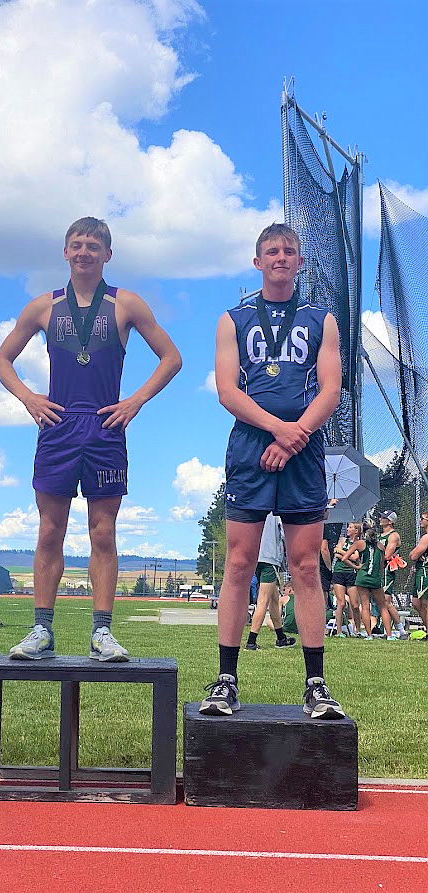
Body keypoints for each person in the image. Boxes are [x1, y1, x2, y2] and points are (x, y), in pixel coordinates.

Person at [0, 217, 181, 661]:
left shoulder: (126, 303)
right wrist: (28, 398)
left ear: (107, 255)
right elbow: (1, 360)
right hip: (57, 425)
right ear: (65, 252)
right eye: (76, 245)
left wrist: (134, 401)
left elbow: (171, 358)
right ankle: (41, 631)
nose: (84, 252)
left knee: (103, 532)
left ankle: (101, 632)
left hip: (105, 426)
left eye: (93, 246)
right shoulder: (43, 307)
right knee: (49, 530)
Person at [200, 222, 345, 720]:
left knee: (306, 567)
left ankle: (316, 684)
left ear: (300, 262)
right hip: (250, 448)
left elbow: (330, 389)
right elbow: (227, 390)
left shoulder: (321, 319)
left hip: (303, 452)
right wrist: (278, 430)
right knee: (239, 564)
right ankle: (226, 679)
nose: (280, 258)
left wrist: (295, 435)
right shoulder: (233, 319)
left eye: (288, 251)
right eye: (271, 251)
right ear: (256, 261)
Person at [244, 513, 296, 650]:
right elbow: (285, 534)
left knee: (274, 599)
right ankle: (251, 641)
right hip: (269, 558)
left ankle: (281, 638)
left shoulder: (257, 510)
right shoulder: (275, 513)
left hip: (256, 557)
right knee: (263, 601)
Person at [341, 524, 394, 640]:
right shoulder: (380, 546)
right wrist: (378, 574)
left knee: (365, 607)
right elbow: (382, 564)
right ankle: (389, 635)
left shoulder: (359, 544)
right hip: (375, 579)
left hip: (362, 578)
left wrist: (357, 567)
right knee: (383, 607)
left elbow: (344, 558)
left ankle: (369, 635)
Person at [378, 510, 409, 639]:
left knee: (386, 601)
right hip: (378, 569)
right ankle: (385, 629)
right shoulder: (380, 535)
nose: (380, 519)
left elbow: (387, 555)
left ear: (390, 521)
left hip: (386, 570)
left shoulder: (393, 535)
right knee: (381, 601)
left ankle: (401, 630)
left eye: (384, 517)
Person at [331, 522, 363, 637]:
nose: (348, 529)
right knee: (341, 603)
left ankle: (358, 630)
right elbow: (336, 553)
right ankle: (339, 631)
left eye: (350, 527)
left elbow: (355, 557)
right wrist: (347, 555)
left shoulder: (359, 543)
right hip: (339, 573)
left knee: (355, 605)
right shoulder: (343, 540)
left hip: (351, 574)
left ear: (356, 531)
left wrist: (342, 553)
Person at [408, 511, 428, 632]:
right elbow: (412, 554)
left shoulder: (426, 537)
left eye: (423, 518)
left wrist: (415, 553)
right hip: (420, 570)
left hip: (425, 571)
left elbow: (413, 555)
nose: (420, 520)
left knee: (425, 603)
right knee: (416, 602)